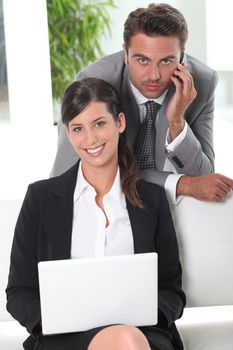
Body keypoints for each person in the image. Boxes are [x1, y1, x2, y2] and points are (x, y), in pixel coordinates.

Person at [6, 78, 185, 350]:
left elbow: (171, 289)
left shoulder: (152, 199)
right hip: (64, 338)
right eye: (78, 128)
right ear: (68, 133)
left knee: (126, 339)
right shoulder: (40, 199)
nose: (90, 139)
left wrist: (148, 315)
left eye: (99, 123)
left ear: (120, 123)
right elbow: (19, 292)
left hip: (141, 334)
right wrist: (52, 320)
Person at [50, 3, 233, 204]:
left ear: (182, 57)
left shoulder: (202, 83)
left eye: (166, 61)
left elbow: (203, 178)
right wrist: (182, 184)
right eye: (142, 60)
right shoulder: (93, 84)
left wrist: (177, 122)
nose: (154, 76)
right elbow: (65, 177)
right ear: (125, 54)